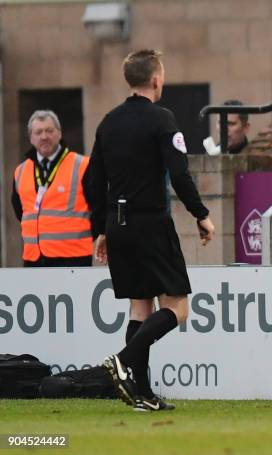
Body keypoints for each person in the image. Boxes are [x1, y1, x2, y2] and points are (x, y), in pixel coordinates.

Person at [88, 49, 215, 412]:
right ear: (156, 80)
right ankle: (124, 360)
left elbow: (93, 180)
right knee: (178, 307)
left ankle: (143, 395)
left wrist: (101, 229)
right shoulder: (162, 119)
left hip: (118, 224)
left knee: (140, 308)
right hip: (150, 222)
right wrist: (200, 214)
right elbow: (179, 173)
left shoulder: (108, 122)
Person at [11, 110, 93, 267]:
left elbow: (98, 207)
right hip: (34, 258)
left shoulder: (82, 165)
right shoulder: (20, 171)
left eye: (49, 130)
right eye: (38, 132)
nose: (44, 136)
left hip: (73, 258)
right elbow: (19, 210)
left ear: (59, 133)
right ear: (31, 138)